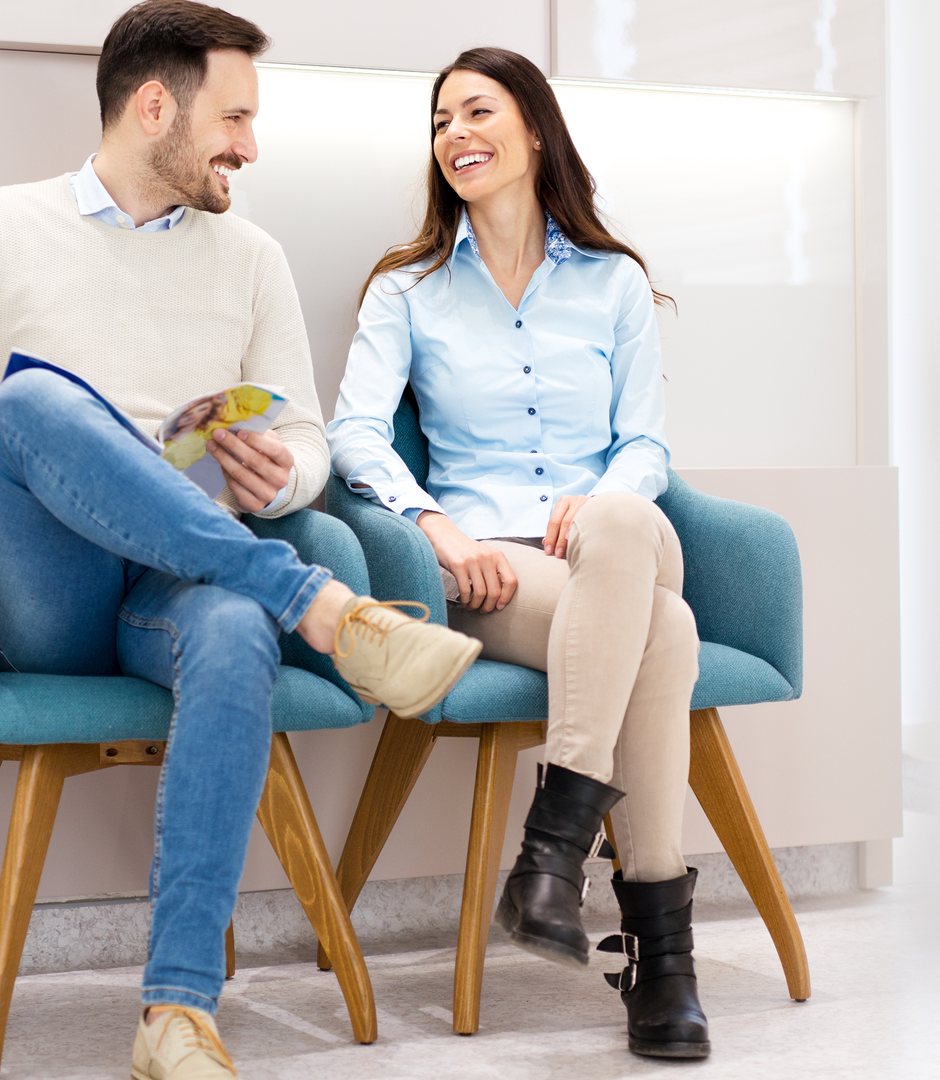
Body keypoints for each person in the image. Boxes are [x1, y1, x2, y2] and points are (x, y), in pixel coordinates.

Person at [0, 4, 481, 1076]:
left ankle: (176, 1015)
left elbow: (310, 441)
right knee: (36, 402)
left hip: (180, 576)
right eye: (234, 118)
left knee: (239, 632)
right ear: (154, 106)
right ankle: (323, 608)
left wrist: (281, 473)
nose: (250, 146)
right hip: (49, 594)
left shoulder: (251, 257)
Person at [327, 47, 709, 1060]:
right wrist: (435, 527)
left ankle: (554, 849)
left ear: (534, 130)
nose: (455, 134)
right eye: (441, 121)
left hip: (615, 538)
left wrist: (604, 501)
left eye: (478, 112)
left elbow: (646, 445)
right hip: (492, 569)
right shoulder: (408, 289)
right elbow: (354, 434)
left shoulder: (614, 282)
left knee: (619, 526)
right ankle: (664, 965)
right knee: (668, 633)